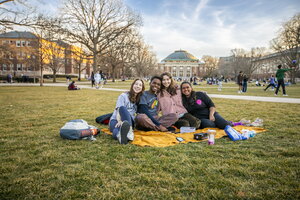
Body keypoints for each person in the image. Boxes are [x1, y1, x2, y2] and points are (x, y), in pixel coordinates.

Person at [109, 79, 145, 144]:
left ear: (142, 88)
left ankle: (128, 131)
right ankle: (126, 135)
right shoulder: (123, 96)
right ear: (132, 85)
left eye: (140, 85)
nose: (137, 86)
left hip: (129, 121)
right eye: (136, 84)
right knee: (115, 131)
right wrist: (119, 121)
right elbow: (118, 110)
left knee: (124, 124)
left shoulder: (140, 99)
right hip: (116, 119)